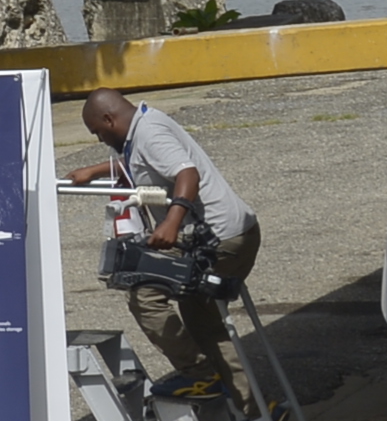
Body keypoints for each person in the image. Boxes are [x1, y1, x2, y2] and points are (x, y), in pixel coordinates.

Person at [83, 88, 258, 401]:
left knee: (145, 294)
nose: (100, 139)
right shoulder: (144, 125)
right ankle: (251, 408)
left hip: (219, 238)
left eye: (98, 131)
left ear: (109, 118)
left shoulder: (149, 133)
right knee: (202, 320)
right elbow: (143, 166)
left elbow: (186, 174)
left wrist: (170, 222)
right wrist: (93, 172)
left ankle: (201, 377)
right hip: (229, 230)